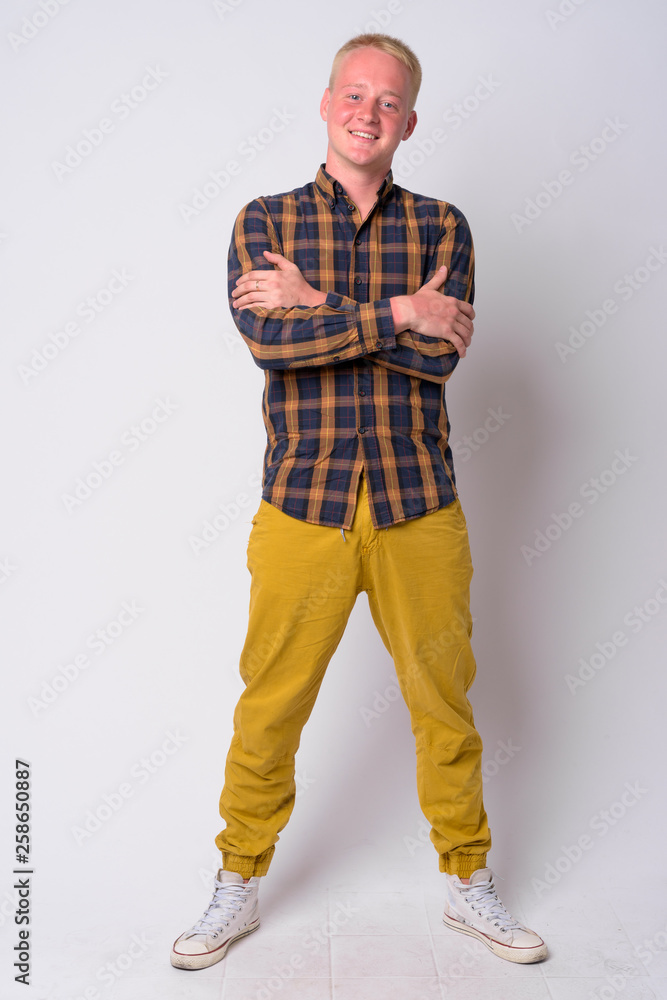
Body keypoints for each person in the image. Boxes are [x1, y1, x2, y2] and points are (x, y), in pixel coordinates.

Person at [171, 32, 547, 971]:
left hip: (419, 505)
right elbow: (272, 343)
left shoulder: (443, 227)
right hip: (304, 504)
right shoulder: (264, 220)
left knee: (443, 704)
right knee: (271, 703)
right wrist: (394, 311)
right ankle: (237, 884)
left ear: (407, 121)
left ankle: (468, 885)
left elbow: (441, 355)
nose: (367, 111)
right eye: (354, 93)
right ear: (327, 101)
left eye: (387, 101)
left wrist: (326, 305)